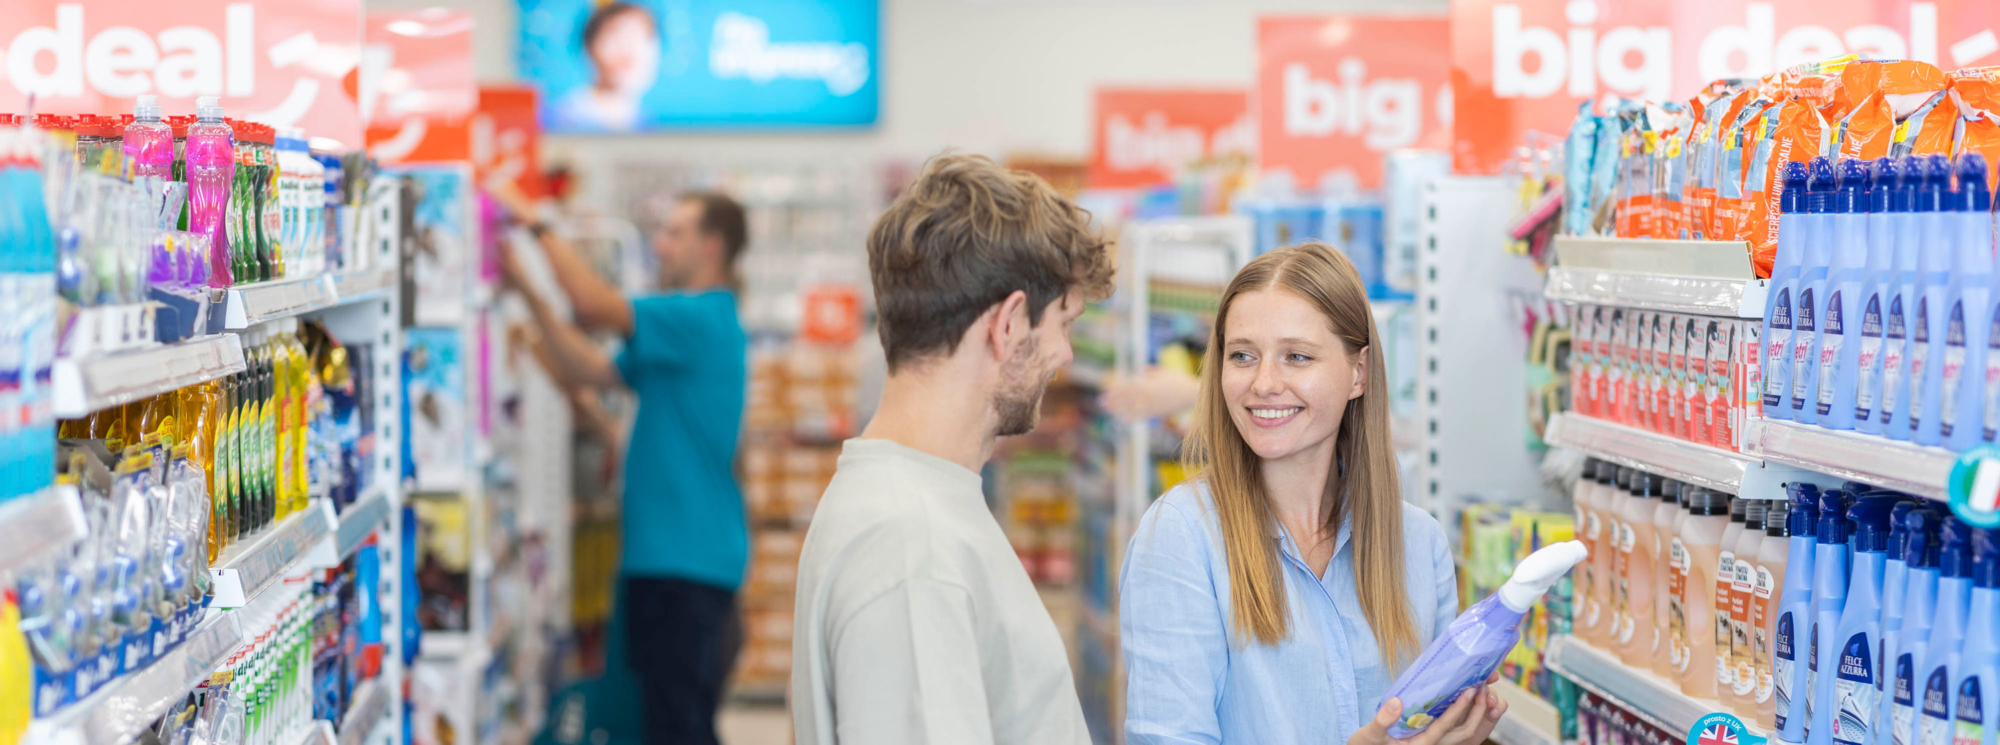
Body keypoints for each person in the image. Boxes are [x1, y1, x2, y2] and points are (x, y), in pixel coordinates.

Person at [1118, 242, 1507, 745]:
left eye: (1296, 357)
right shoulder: (1181, 537)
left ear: (1358, 373)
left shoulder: (1418, 544)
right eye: (1242, 356)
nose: (1263, 383)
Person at [790, 153, 1115, 744]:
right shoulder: (914, 546)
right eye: (1064, 324)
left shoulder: (916, 505)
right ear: (1010, 323)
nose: (1067, 356)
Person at [501, 190, 750, 745]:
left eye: (676, 233)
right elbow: (589, 368)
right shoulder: (679, 335)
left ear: (712, 246)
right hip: (666, 559)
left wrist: (538, 223)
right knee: (662, 721)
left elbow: (593, 306)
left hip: (685, 562)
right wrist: (529, 295)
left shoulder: (701, 316)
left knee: (679, 725)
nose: (660, 245)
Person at [552, 2, 661, 132]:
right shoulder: (561, 118)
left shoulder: (650, 123)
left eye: (643, 36)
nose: (630, 48)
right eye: (616, 35)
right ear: (589, 47)